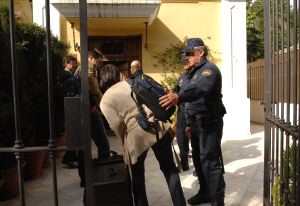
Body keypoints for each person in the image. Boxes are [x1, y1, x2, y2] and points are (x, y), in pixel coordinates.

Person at [100, 60, 186, 206]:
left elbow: (116, 125)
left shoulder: (105, 100)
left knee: (138, 177)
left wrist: (124, 141)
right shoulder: (131, 82)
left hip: (136, 136)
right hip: (158, 126)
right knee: (170, 170)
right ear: (117, 74)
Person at [159, 38, 226, 206]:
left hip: (209, 122)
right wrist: (188, 124)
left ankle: (218, 201)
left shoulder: (208, 71)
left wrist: (178, 96)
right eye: (184, 55)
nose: (186, 58)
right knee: (197, 159)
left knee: (210, 161)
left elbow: (198, 90)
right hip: (195, 123)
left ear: (201, 52)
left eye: (189, 54)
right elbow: (186, 102)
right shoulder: (186, 75)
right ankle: (205, 193)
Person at [75, 50, 110, 188]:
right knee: (103, 144)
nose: (99, 64)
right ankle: (103, 173)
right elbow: (94, 88)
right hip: (90, 112)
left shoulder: (81, 68)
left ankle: (84, 179)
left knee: (83, 147)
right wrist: (104, 104)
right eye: (98, 61)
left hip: (80, 112)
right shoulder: (86, 68)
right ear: (91, 58)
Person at [57, 55, 80, 169]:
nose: (75, 65)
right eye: (72, 63)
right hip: (71, 108)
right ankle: (70, 159)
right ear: (66, 63)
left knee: (73, 133)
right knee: (73, 134)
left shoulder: (65, 76)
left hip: (68, 108)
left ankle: (70, 158)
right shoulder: (67, 77)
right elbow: (72, 94)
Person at [172, 52, 191, 171]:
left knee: (196, 140)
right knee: (180, 138)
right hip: (182, 111)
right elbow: (175, 91)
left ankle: (200, 166)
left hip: (194, 111)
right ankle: (184, 164)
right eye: (183, 61)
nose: (184, 63)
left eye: (186, 61)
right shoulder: (182, 77)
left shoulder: (198, 76)